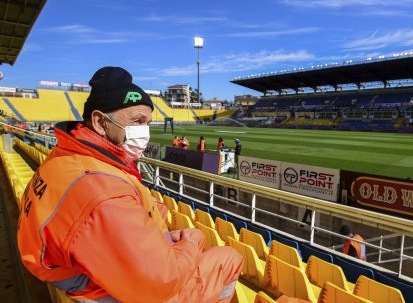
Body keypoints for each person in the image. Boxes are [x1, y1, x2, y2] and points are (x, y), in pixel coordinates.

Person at [17, 66, 243, 302]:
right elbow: (162, 281)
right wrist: (191, 245)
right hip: (109, 289)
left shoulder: (63, 158)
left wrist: (161, 239)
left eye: (147, 123)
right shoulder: (102, 190)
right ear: (100, 122)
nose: (144, 131)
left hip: (78, 271)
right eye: (137, 121)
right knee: (227, 258)